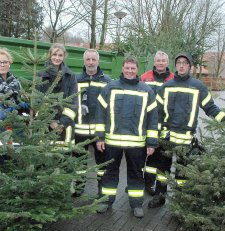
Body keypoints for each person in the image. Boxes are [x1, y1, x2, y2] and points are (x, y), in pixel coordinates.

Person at [148, 52, 225, 208]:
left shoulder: (198, 87)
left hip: (186, 140)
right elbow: (157, 115)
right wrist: (155, 137)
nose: (181, 65)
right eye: (178, 62)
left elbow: (210, 107)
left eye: (185, 63)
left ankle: (181, 201)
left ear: (190, 66)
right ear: (175, 65)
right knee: (162, 171)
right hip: (166, 138)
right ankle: (159, 197)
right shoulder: (166, 87)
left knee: (182, 175)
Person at [95, 56, 159, 218]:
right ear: (122, 68)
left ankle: (136, 204)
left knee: (136, 173)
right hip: (111, 141)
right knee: (110, 172)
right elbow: (100, 114)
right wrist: (99, 137)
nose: (129, 71)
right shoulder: (110, 88)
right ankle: (106, 201)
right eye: (127, 68)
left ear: (137, 70)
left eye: (133, 68)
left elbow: (152, 119)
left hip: (137, 144)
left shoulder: (146, 91)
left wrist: (151, 143)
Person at [74, 49, 111, 196]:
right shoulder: (75, 80)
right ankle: (78, 188)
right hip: (79, 130)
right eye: (88, 59)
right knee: (79, 163)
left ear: (98, 61)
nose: (90, 62)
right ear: (84, 61)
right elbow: (69, 102)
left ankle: (102, 190)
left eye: (93, 60)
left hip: (98, 132)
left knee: (102, 164)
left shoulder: (106, 81)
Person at [140, 51, 174, 196]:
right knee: (147, 157)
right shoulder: (145, 77)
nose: (160, 63)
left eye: (163, 61)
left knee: (164, 159)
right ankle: (147, 183)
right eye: (158, 60)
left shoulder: (173, 78)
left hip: (166, 125)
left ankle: (160, 188)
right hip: (148, 124)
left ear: (167, 63)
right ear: (154, 62)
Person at [37, 43, 78, 148]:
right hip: (45, 126)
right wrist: (49, 121)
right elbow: (37, 101)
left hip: (65, 127)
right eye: (54, 54)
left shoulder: (71, 76)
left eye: (60, 55)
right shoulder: (40, 75)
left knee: (64, 160)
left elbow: (74, 102)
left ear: (64, 56)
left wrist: (61, 123)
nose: (57, 58)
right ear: (50, 55)